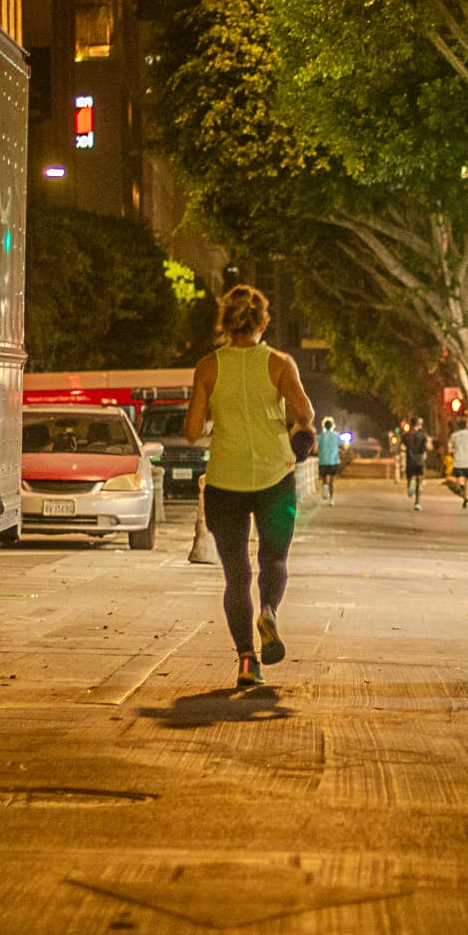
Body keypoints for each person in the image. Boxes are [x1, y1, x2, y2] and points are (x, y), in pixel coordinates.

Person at [185, 284, 315, 689]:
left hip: (225, 481)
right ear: (264, 321)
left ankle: (246, 660)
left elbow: (192, 431)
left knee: (236, 575)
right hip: (275, 477)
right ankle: (270, 611)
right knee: (274, 561)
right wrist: (290, 425)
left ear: (225, 322)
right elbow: (306, 412)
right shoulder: (279, 363)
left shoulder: (208, 367)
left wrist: (218, 417)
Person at [401, 419, 431, 510]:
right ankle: (417, 502)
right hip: (420, 461)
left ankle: (410, 486)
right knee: (420, 481)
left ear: (411, 424)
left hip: (410, 460)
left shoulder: (406, 435)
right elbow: (428, 447)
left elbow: (402, 448)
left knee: (411, 477)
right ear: (419, 425)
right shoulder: (423, 435)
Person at [316, 416, 343, 504]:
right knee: (332, 481)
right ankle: (331, 499)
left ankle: (324, 488)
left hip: (323, 460)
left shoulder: (320, 436)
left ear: (324, 426)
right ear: (332, 426)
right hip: (334, 460)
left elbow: (315, 448)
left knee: (324, 478)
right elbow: (342, 447)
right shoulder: (336, 436)